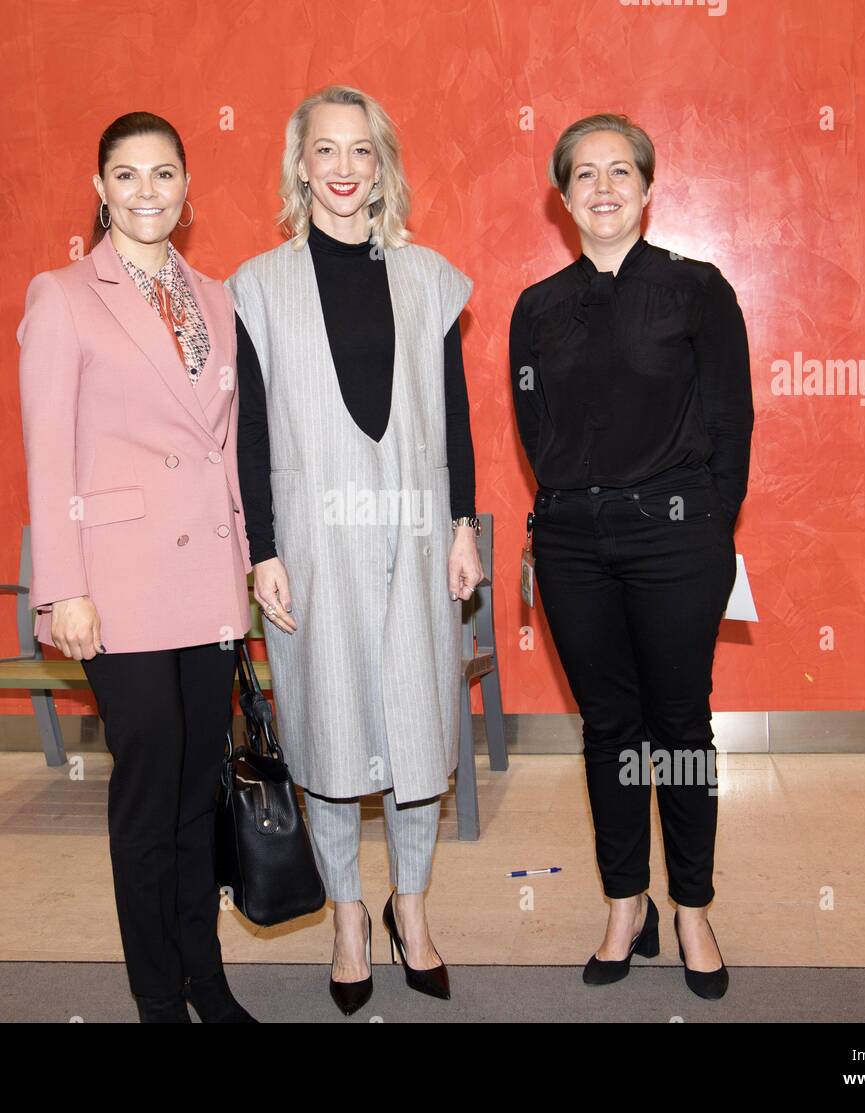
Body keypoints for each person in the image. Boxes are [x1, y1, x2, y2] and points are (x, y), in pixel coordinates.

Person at [228, 85, 482, 1016]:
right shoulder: (255, 285)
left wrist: (463, 524)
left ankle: (410, 908)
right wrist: (261, 550)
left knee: (421, 735)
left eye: (361, 151)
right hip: (312, 547)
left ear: (383, 167)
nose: (343, 168)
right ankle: (348, 919)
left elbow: (454, 411)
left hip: (418, 537)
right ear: (300, 165)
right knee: (328, 733)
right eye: (325, 151)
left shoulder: (429, 279)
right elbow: (248, 432)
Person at [17, 111, 256, 1023]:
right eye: (127, 175)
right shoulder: (64, 294)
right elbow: (47, 453)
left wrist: (246, 561)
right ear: (100, 188)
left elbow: (225, 447)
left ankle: (208, 977)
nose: (147, 191)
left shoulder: (218, 296)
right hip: (115, 588)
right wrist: (62, 587)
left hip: (205, 587)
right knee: (149, 792)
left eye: (164, 174)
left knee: (202, 789)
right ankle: (157, 993)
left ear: (187, 189)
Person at [510, 113, 754, 1000]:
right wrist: (580, 506)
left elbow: (732, 425)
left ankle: (692, 905)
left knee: (682, 730)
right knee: (609, 730)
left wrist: (705, 528)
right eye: (584, 173)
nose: (603, 187)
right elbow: (538, 430)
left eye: (621, 171)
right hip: (574, 544)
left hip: (679, 538)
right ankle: (626, 900)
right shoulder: (535, 310)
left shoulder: (699, 290)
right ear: (562, 194)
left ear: (648, 189)